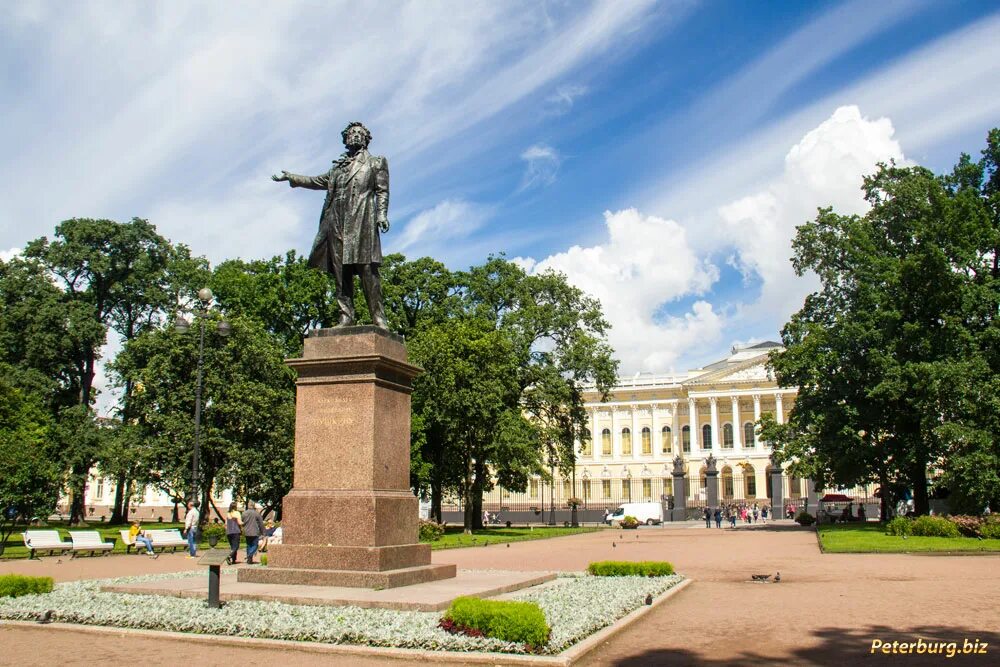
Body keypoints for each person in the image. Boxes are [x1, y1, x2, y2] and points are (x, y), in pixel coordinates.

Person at [272, 121, 390, 328]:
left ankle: (378, 318)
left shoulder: (376, 162)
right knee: (340, 271)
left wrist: (381, 215)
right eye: (351, 133)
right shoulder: (337, 169)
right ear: (345, 139)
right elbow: (317, 181)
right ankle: (346, 316)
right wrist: (291, 177)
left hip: (362, 220)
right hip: (336, 221)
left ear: (366, 138)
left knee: (367, 270)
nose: (355, 135)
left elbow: (382, 190)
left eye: (359, 133)